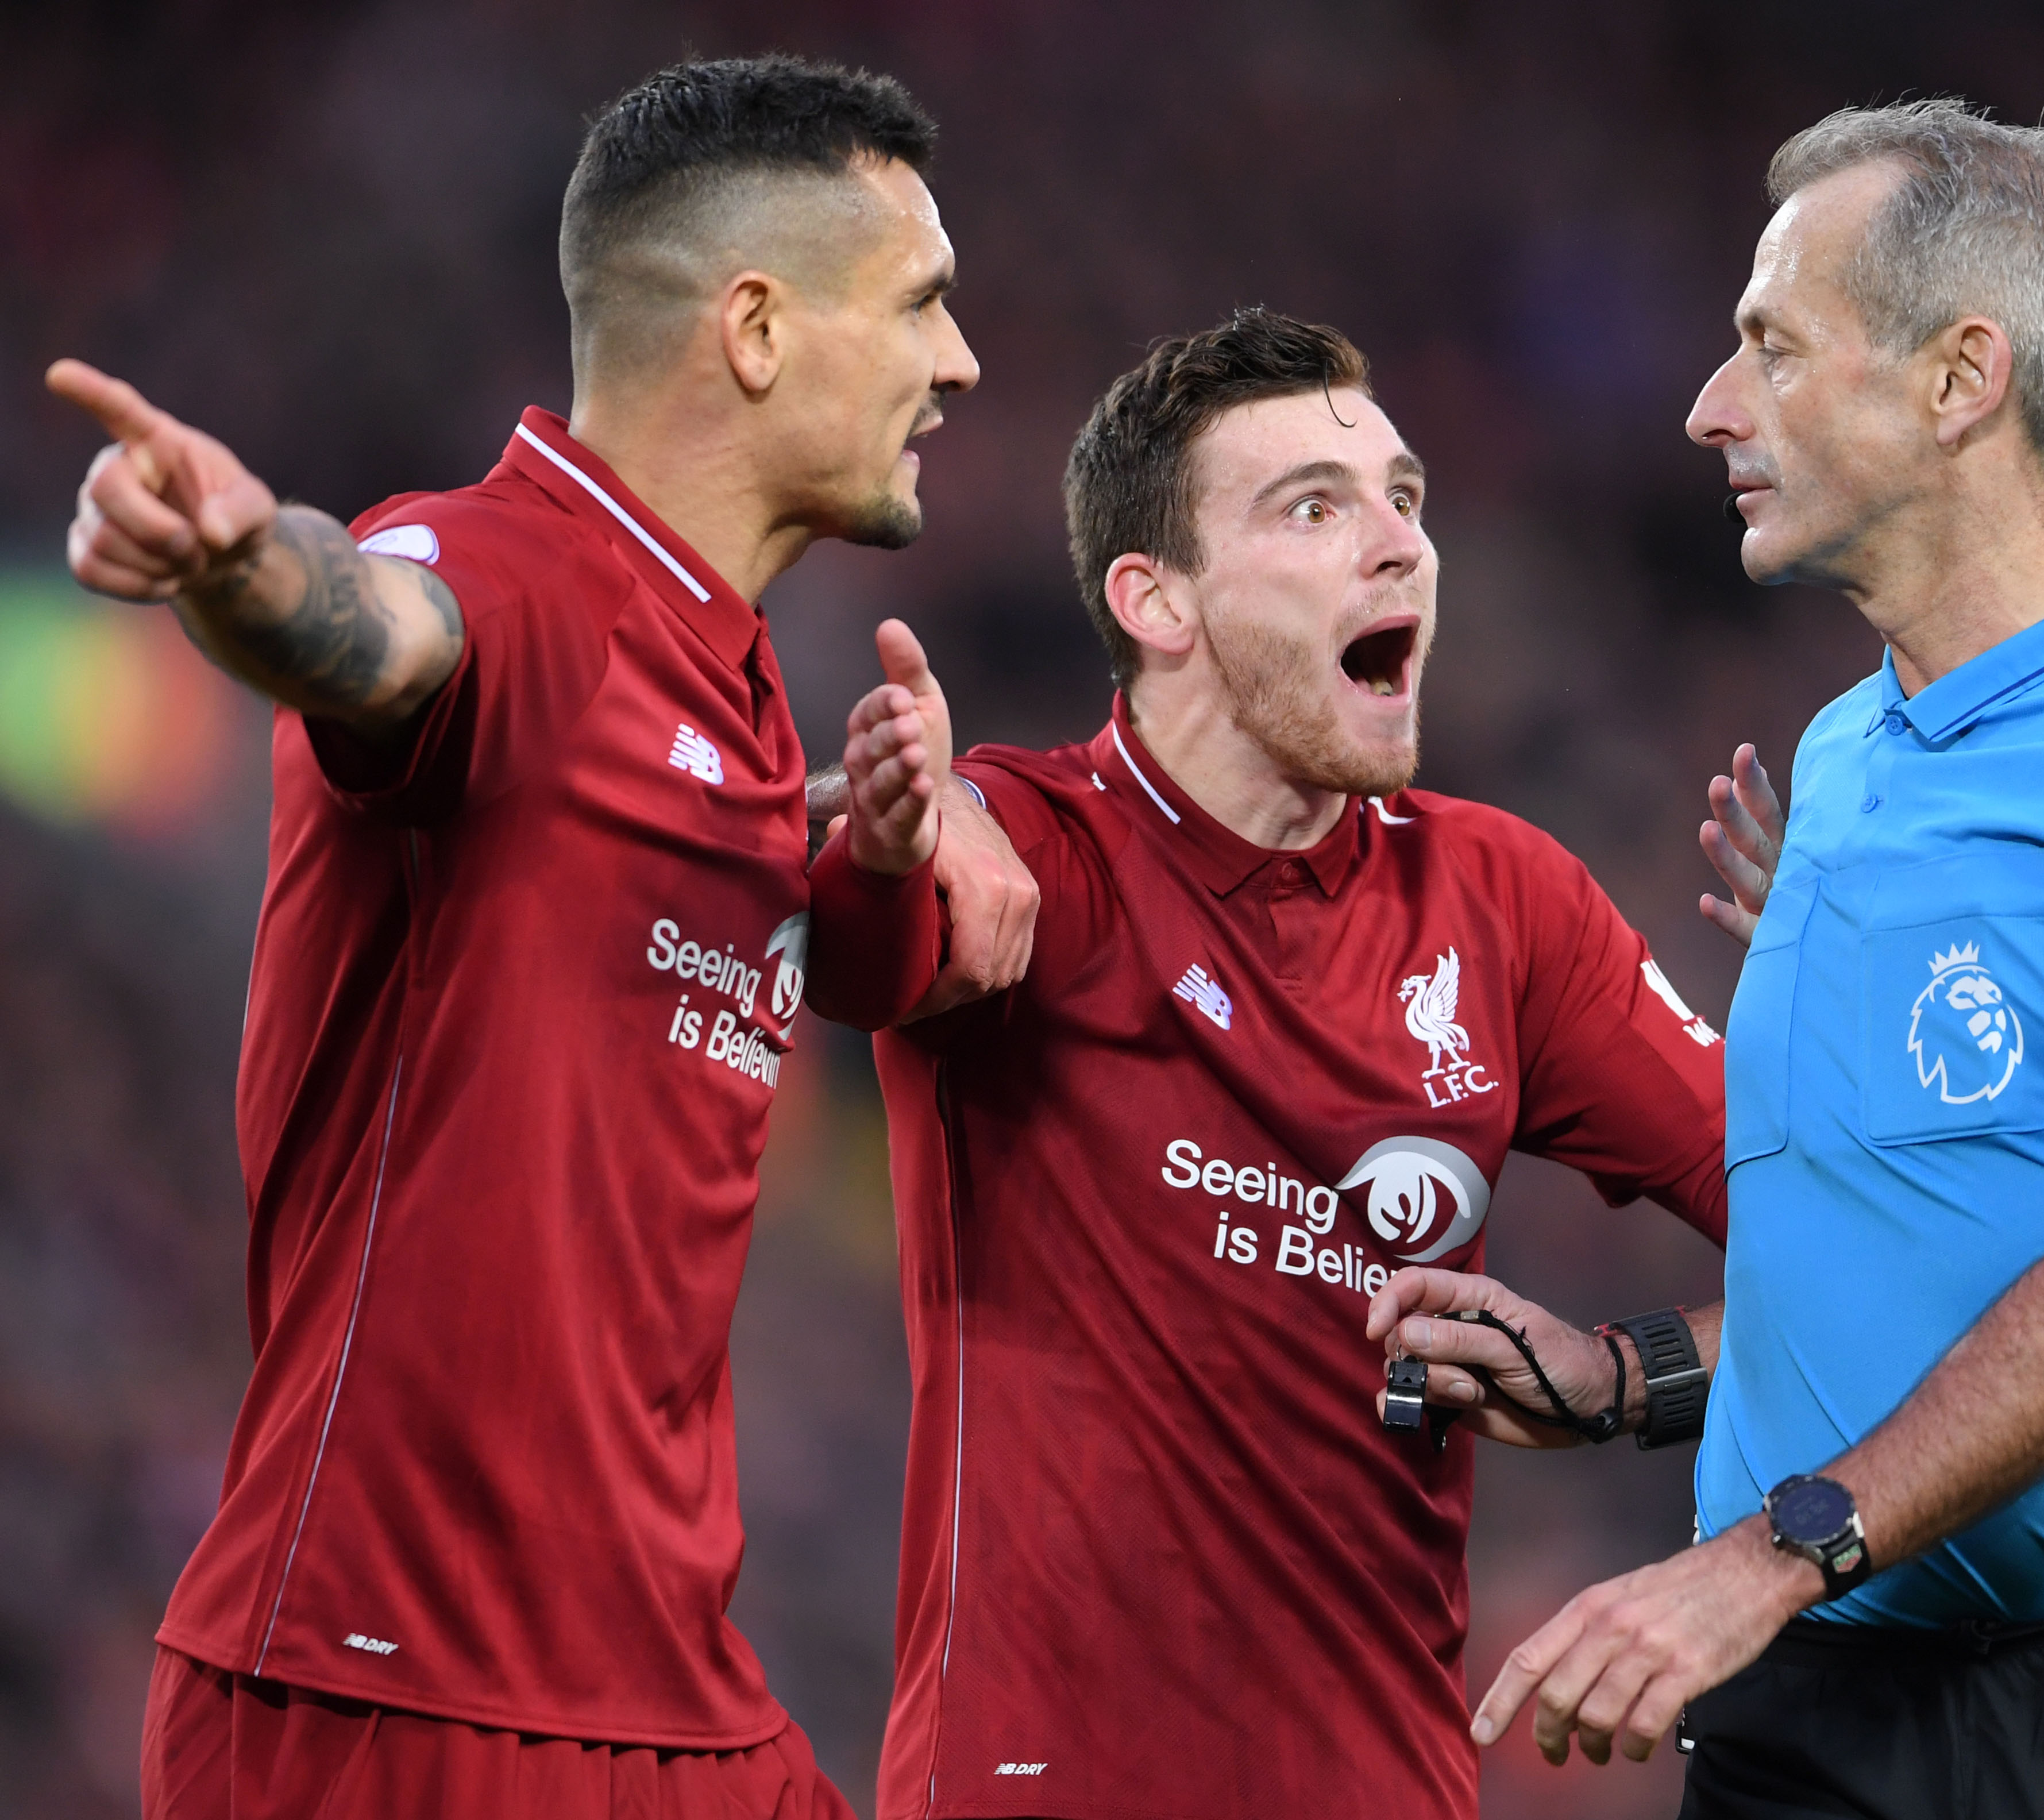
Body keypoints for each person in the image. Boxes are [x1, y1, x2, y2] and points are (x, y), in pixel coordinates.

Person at [1386, 99, 2044, 1818]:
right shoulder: (1841, 770)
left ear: (1959, 382)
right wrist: (1628, 1377)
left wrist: (1770, 1556)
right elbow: (1905, 1254)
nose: (1710, 407)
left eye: (1771, 347)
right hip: (1821, 1716)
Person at [49, 55, 1035, 1820]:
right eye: (920, 305)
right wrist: (230, 566)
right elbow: (374, 627)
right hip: (389, 1701)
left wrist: (884, 853)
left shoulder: (731, 695)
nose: (958, 363)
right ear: (754, 329)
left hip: (667, 1697)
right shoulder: (509, 573)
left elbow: (820, 945)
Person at [807, 309, 1731, 1820]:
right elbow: (883, 949)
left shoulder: (1503, 903)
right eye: (1315, 506)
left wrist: (1632, 1379)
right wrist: (892, 842)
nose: (1399, 547)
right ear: (1156, 602)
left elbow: (1851, 1248)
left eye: (1405, 503)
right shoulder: (1035, 842)